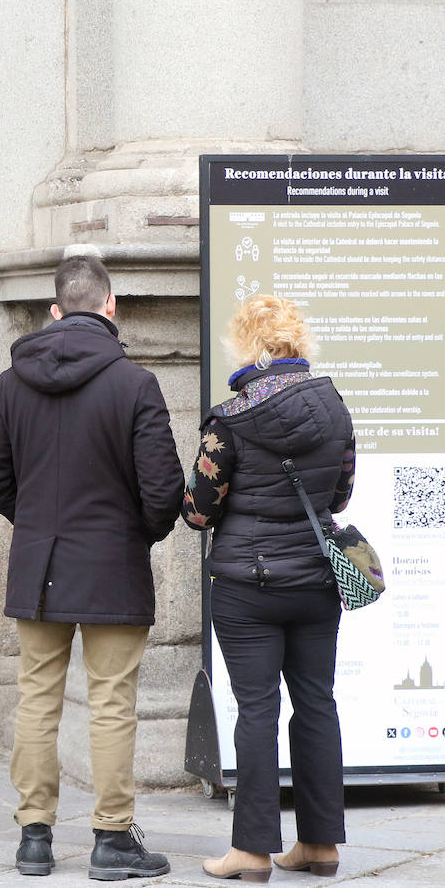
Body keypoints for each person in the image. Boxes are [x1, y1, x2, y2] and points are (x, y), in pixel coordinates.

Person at [0, 253, 183, 880]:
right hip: (113, 563)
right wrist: (134, 534)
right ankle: (112, 839)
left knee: (37, 697)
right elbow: (163, 489)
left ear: (55, 310)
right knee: (112, 702)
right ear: (110, 306)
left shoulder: (12, 383)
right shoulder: (134, 384)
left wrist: (36, 522)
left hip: (39, 565)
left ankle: (34, 837)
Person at [183, 294, 354, 881]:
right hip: (314, 579)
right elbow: (339, 496)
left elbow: (199, 511)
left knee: (256, 709)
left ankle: (252, 851)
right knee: (317, 704)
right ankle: (320, 845)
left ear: (250, 346)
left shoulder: (228, 419)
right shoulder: (334, 406)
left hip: (246, 585)